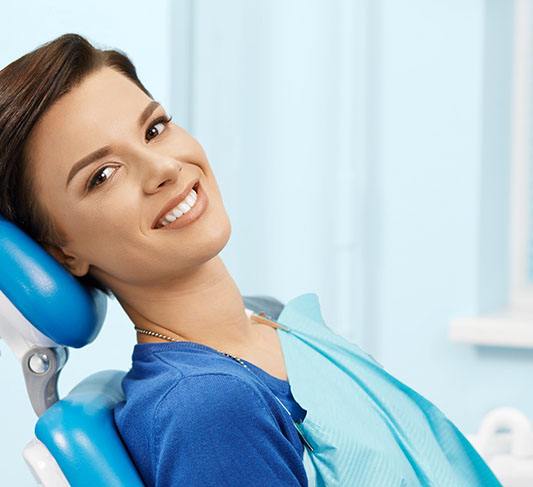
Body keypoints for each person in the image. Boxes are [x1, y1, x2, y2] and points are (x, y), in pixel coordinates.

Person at [0, 33, 502, 486]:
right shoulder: (208, 409)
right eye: (103, 175)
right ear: (62, 251)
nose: (164, 168)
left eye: (154, 129)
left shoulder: (271, 321)